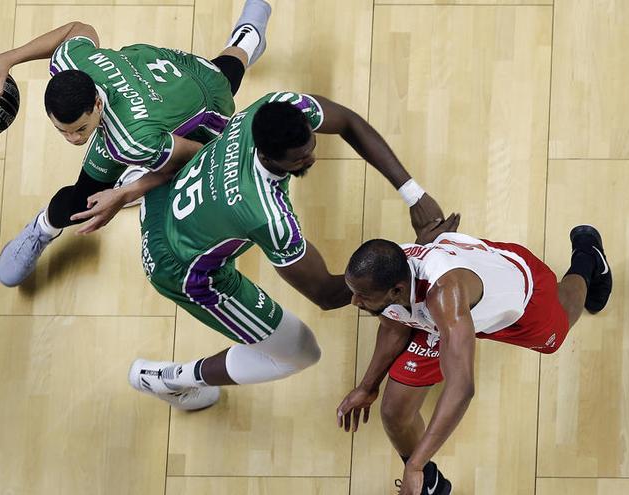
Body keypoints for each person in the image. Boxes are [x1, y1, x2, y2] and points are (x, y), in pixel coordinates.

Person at [110, 90, 456, 411]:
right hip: (181, 268)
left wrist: (413, 194)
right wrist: (411, 255)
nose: (312, 158)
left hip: (166, 197)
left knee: (204, 129)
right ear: (266, 154)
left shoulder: (278, 105)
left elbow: (349, 121)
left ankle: (134, 185)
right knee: (299, 351)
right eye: (300, 160)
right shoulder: (267, 217)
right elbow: (325, 293)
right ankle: (167, 380)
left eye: (310, 146)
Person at [0, 1, 273, 287]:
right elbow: (78, 30)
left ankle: (46, 225)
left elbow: (195, 157)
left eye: (79, 129)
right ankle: (247, 36)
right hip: (164, 73)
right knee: (227, 68)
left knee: (88, 202)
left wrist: (124, 193)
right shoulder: (72, 58)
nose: (74, 139)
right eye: (62, 131)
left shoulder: (134, 140)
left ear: (97, 103)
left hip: (205, 112)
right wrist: (5, 60)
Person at [335, 221, 613, 495]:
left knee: (558, 329)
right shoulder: (390, 276)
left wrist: (414, 465)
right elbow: (393, 325)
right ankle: (430, 485)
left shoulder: (443, 293)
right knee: (395, 412)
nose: (354, 302)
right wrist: (367, 387)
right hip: (441, 318)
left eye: (361, 296)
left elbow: (461, 387)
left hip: (521, 295)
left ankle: (587, 258)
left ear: (396, 290)